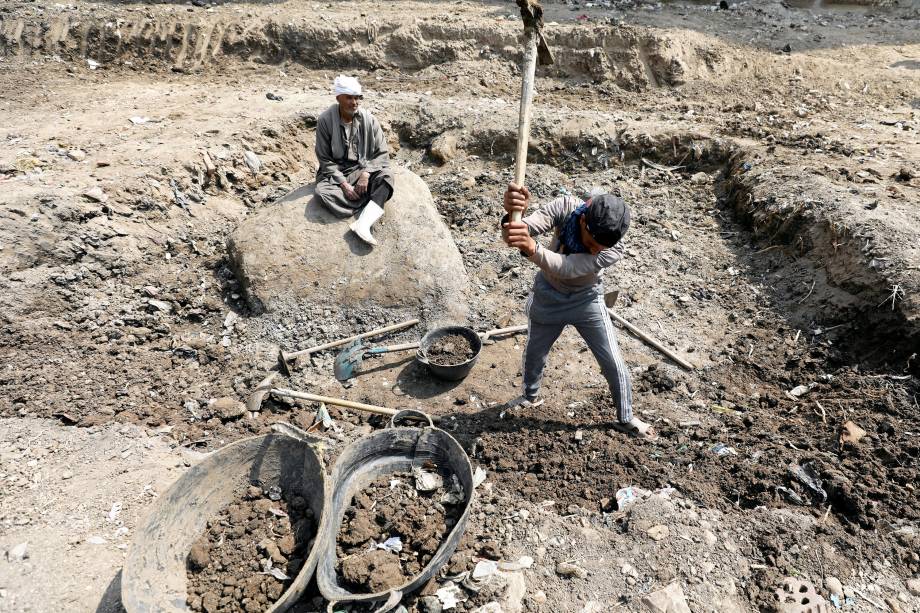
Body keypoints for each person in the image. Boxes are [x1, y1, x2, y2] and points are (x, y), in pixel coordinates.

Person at [500, 183, 655, 439]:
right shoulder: (565, 207)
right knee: (535, 353)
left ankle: (626, 417)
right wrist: (513, 215)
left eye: (601, 248)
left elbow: (566, 267)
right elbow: (520, 233)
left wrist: (531, 247)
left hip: (586, 301)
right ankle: (529, 396)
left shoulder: (613, 248)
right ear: (583, 219)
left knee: (613, 361)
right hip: (547, 297)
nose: (596, 250)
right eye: (593, 243)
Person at [314, 75, 394, 246]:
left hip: (362, 167)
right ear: (338, 98)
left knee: (386, 177)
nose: (354, 102)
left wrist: (366, 174)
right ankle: (370, 201)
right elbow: (324, 159)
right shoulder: (325, 120)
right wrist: (343, 184)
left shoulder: (369, 119)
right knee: (322, 193)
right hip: (337, 172)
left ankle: (363, 223)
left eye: (357, 97)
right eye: (349, 97)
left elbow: (382, 153)